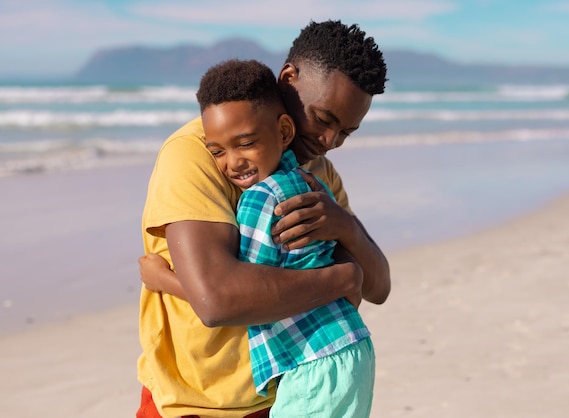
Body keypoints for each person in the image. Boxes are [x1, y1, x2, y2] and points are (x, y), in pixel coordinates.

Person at [137, 20, 390, 418]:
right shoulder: (197, 155)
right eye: (324, 119)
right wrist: (342, 278)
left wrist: (346, 226)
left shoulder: (318, 174)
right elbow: (217, 300)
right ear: (289, 77)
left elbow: (378, 286)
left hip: (285, 394)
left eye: (346, 132)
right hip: (194, 404)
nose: (329, 142)